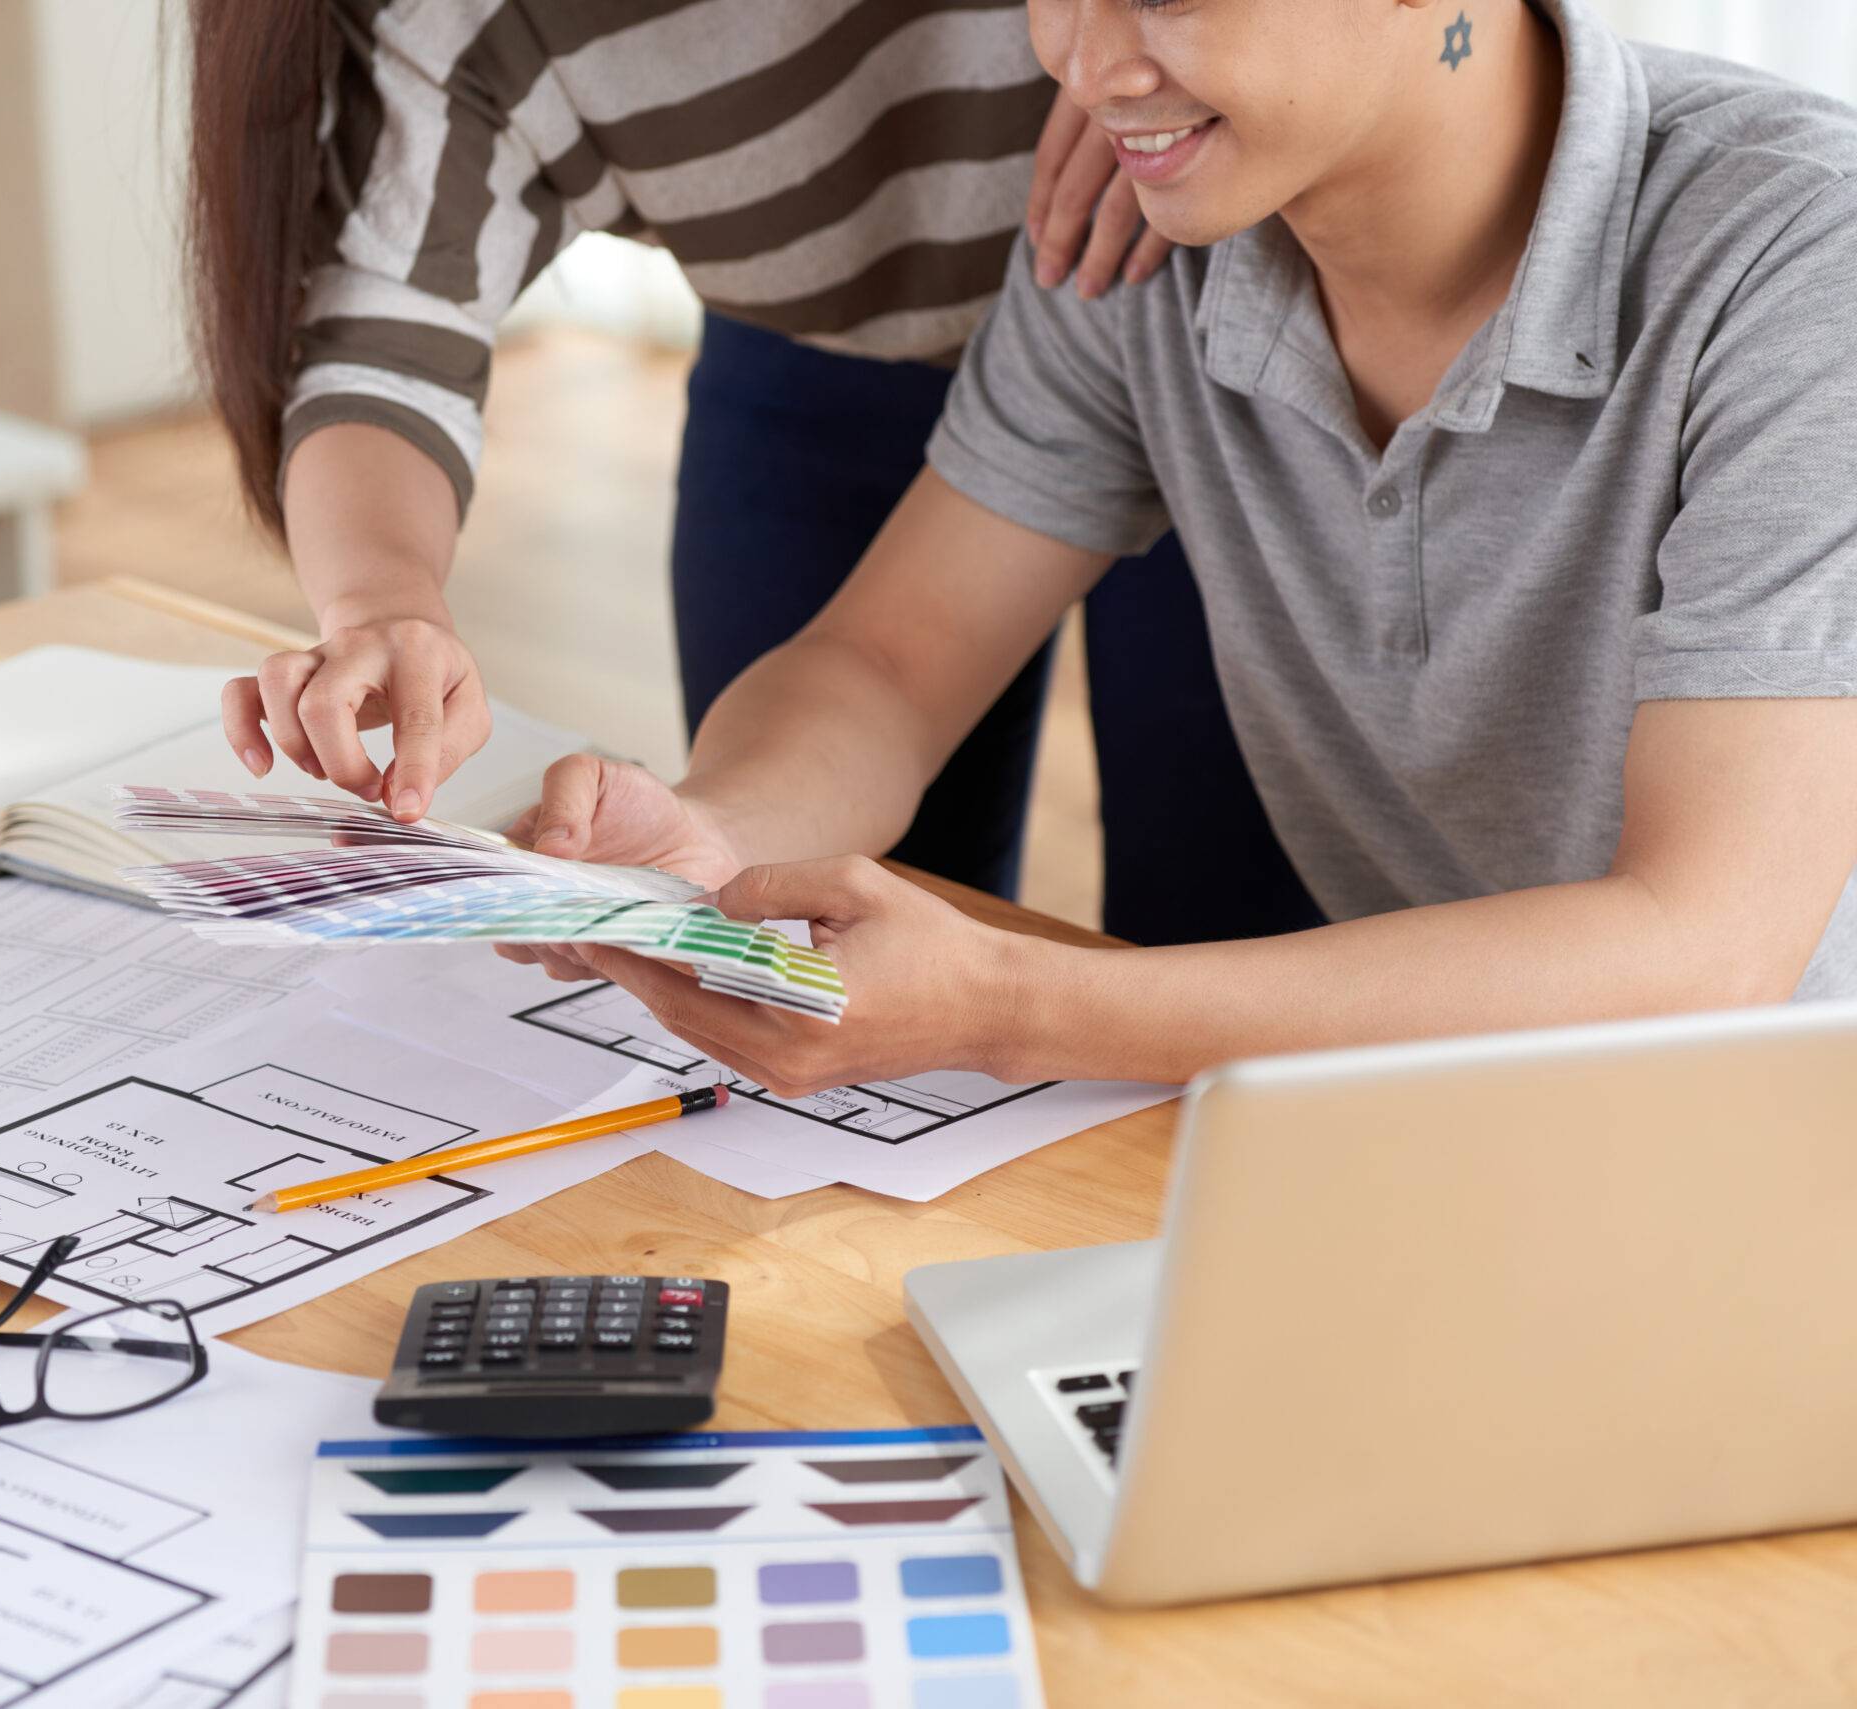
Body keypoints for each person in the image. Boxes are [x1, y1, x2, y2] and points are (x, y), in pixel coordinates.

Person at [496, 0, 1857, 1091]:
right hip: (1454, 1121)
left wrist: (1008, 1005)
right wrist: (713, 830)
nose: (1087, 68)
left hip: (1783, 1161)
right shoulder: (1146, 234)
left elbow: (1705, 945)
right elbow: (892, 662)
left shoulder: (1800, 259)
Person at [184, 1, 1322, 945]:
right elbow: (385, 332)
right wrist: (382, 603)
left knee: (1228, 926)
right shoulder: (458, 20)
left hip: (1196, 318)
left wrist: (1168, 62)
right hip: (817, 365)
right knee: (817, 925)